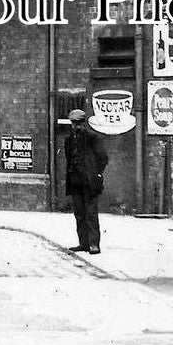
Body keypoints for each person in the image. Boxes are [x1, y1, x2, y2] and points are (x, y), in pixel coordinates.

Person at [65, 109, 107, 254]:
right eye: (73, 123)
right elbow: (68, 158)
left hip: (89, 182)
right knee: (79, 213)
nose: (76, 126)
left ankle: (94, 244)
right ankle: (83, 243)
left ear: (84, 123)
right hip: (75, 181)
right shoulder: (69, 140)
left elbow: (103, 158)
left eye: (78, 123)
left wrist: (96, 173)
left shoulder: (93, 138)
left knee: (90, 212)